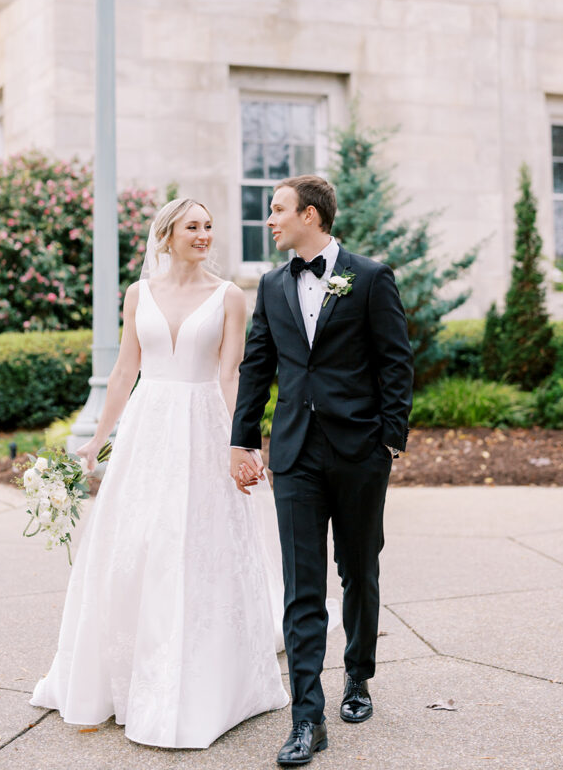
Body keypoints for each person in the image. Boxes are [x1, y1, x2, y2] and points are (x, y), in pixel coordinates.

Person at [30, 198, 289, 748]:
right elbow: (126, 369)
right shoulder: (137, 294)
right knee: (135, 541)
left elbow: (230, 375)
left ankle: (203, 674)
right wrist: (97, 442)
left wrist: (243, 443)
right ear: (165, 235)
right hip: (147, 431)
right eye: (192, 226)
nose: (204, 235)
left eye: (208, 227)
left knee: (195, 543)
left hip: (202, 427)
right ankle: (123, 669)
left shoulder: (229, 296)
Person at [230, 175, 413, 767]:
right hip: (295, 455)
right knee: (301, 585)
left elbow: (395, 361)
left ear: (310, 215)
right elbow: (258, 364)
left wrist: (389, 439)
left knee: (358, 567)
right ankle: (307, 718)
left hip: (359, 451)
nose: (270, 219)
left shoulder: (370, 277)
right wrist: (243, 441)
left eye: (278, 209)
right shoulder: (272, 284)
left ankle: (357, 676)